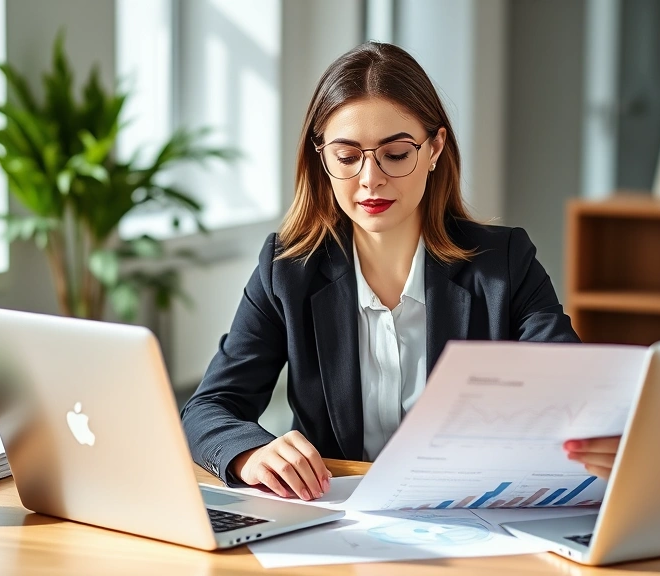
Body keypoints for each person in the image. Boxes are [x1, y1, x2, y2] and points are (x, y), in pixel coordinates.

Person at [180, 42, 620, 501]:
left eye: (395, 154)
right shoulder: (288, 270)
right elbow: (209, 407)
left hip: (469, 513)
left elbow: (572, 390)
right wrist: (249, 453)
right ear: (322, 158)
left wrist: (600, 430)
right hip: (335, 516)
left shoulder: (504, 263)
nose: (370, 178)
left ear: (434, 149)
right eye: (347, 157)